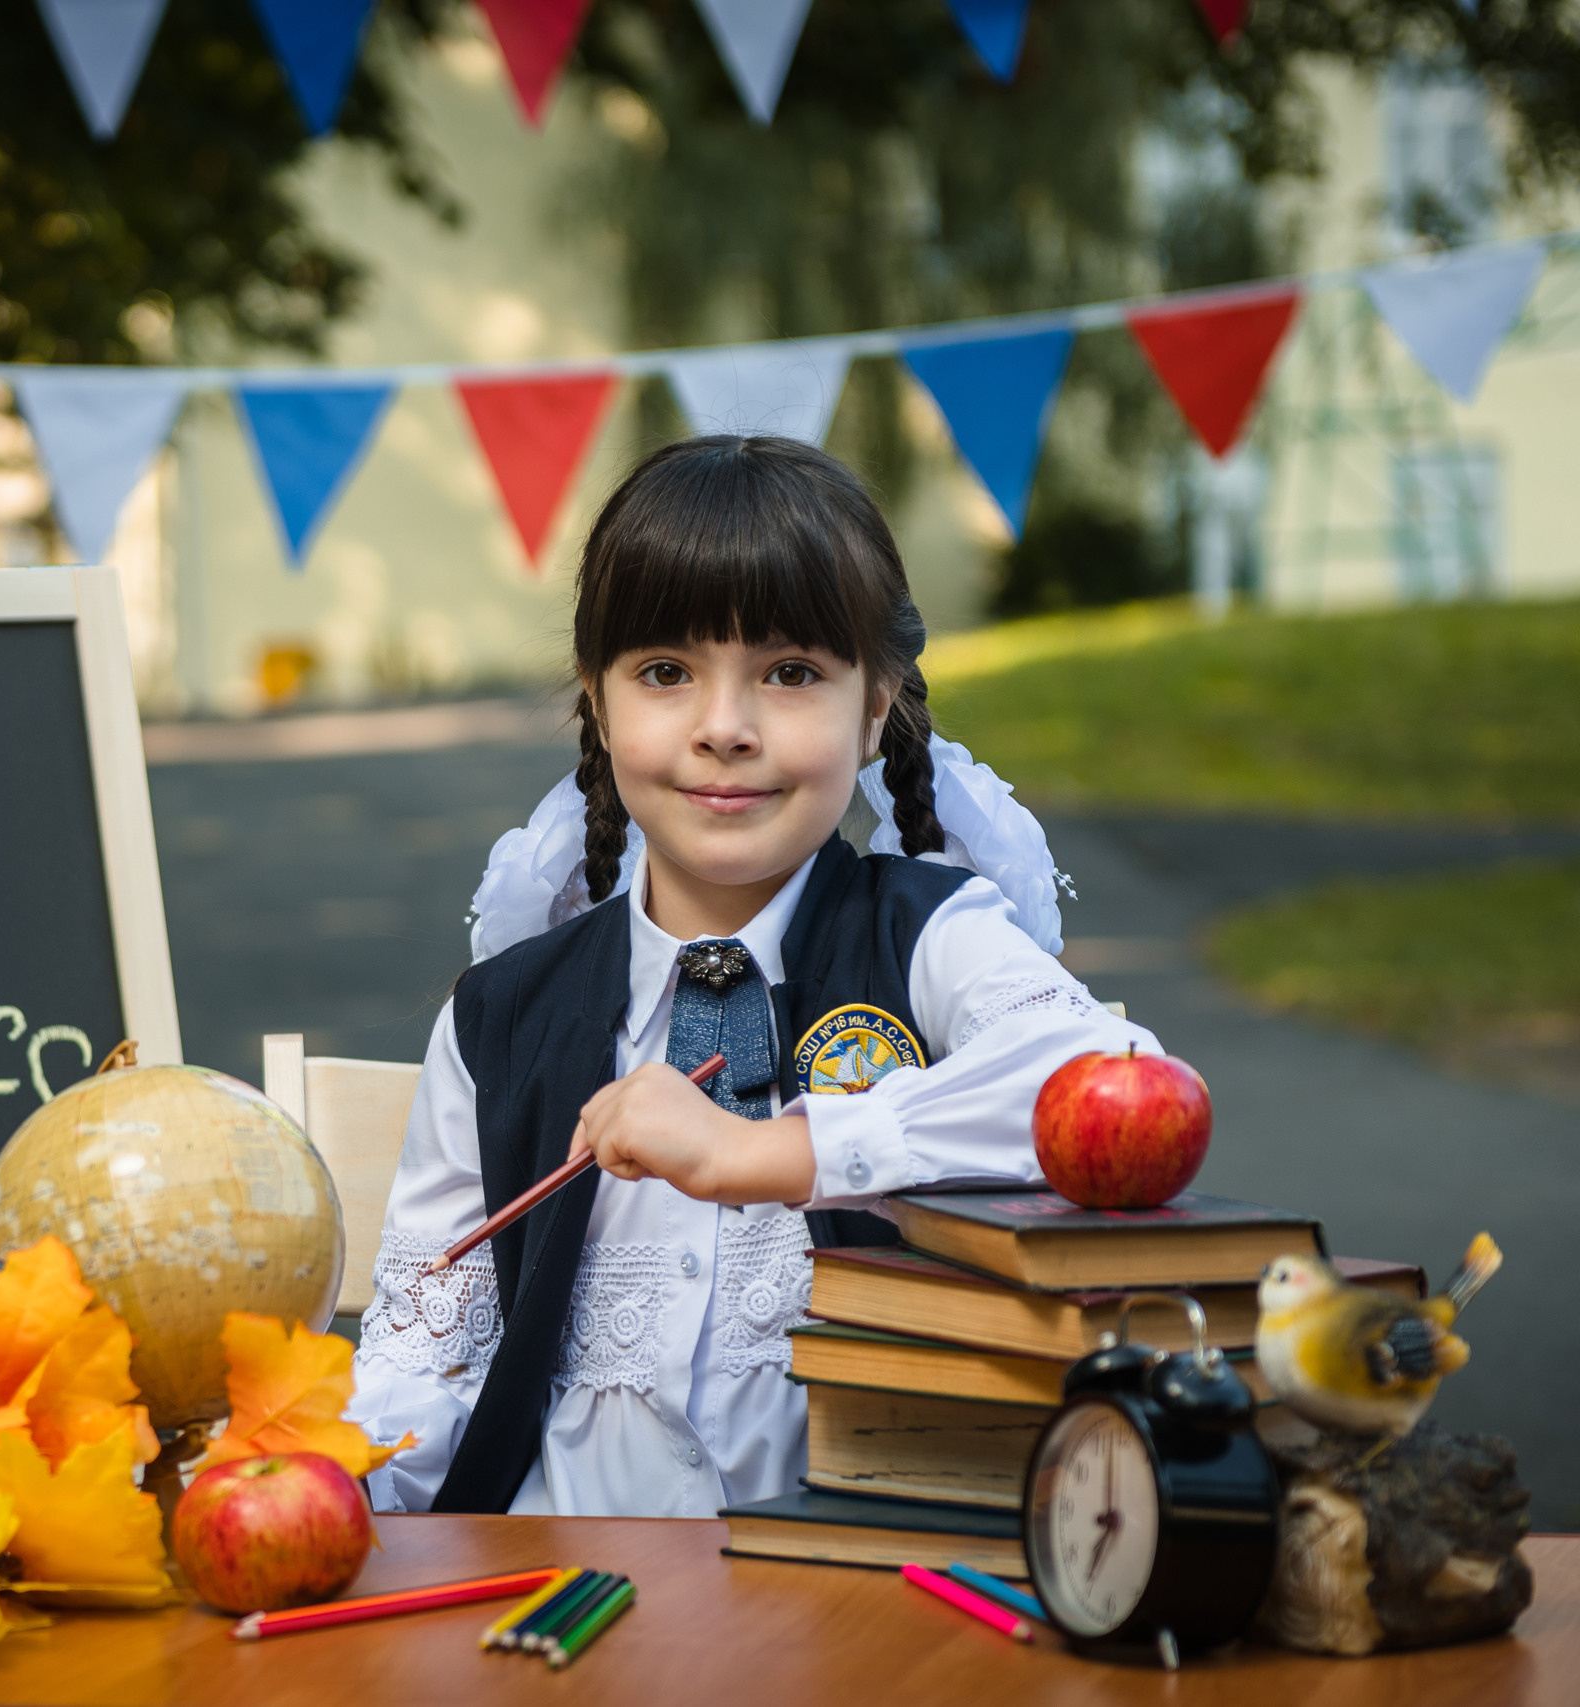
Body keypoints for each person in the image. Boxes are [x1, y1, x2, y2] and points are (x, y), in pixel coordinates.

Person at [347, 435, 1157, 1518]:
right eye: (665, 673)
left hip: (863, 1618)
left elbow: (1106, 1076)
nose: (722, 729)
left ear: (874, 708)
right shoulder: (501, 1017)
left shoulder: (927, 935)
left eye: (788, 674)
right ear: (597, 700)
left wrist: (769, 1153)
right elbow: (425, 1368)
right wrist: (319, 1474)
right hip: (561, 1610)